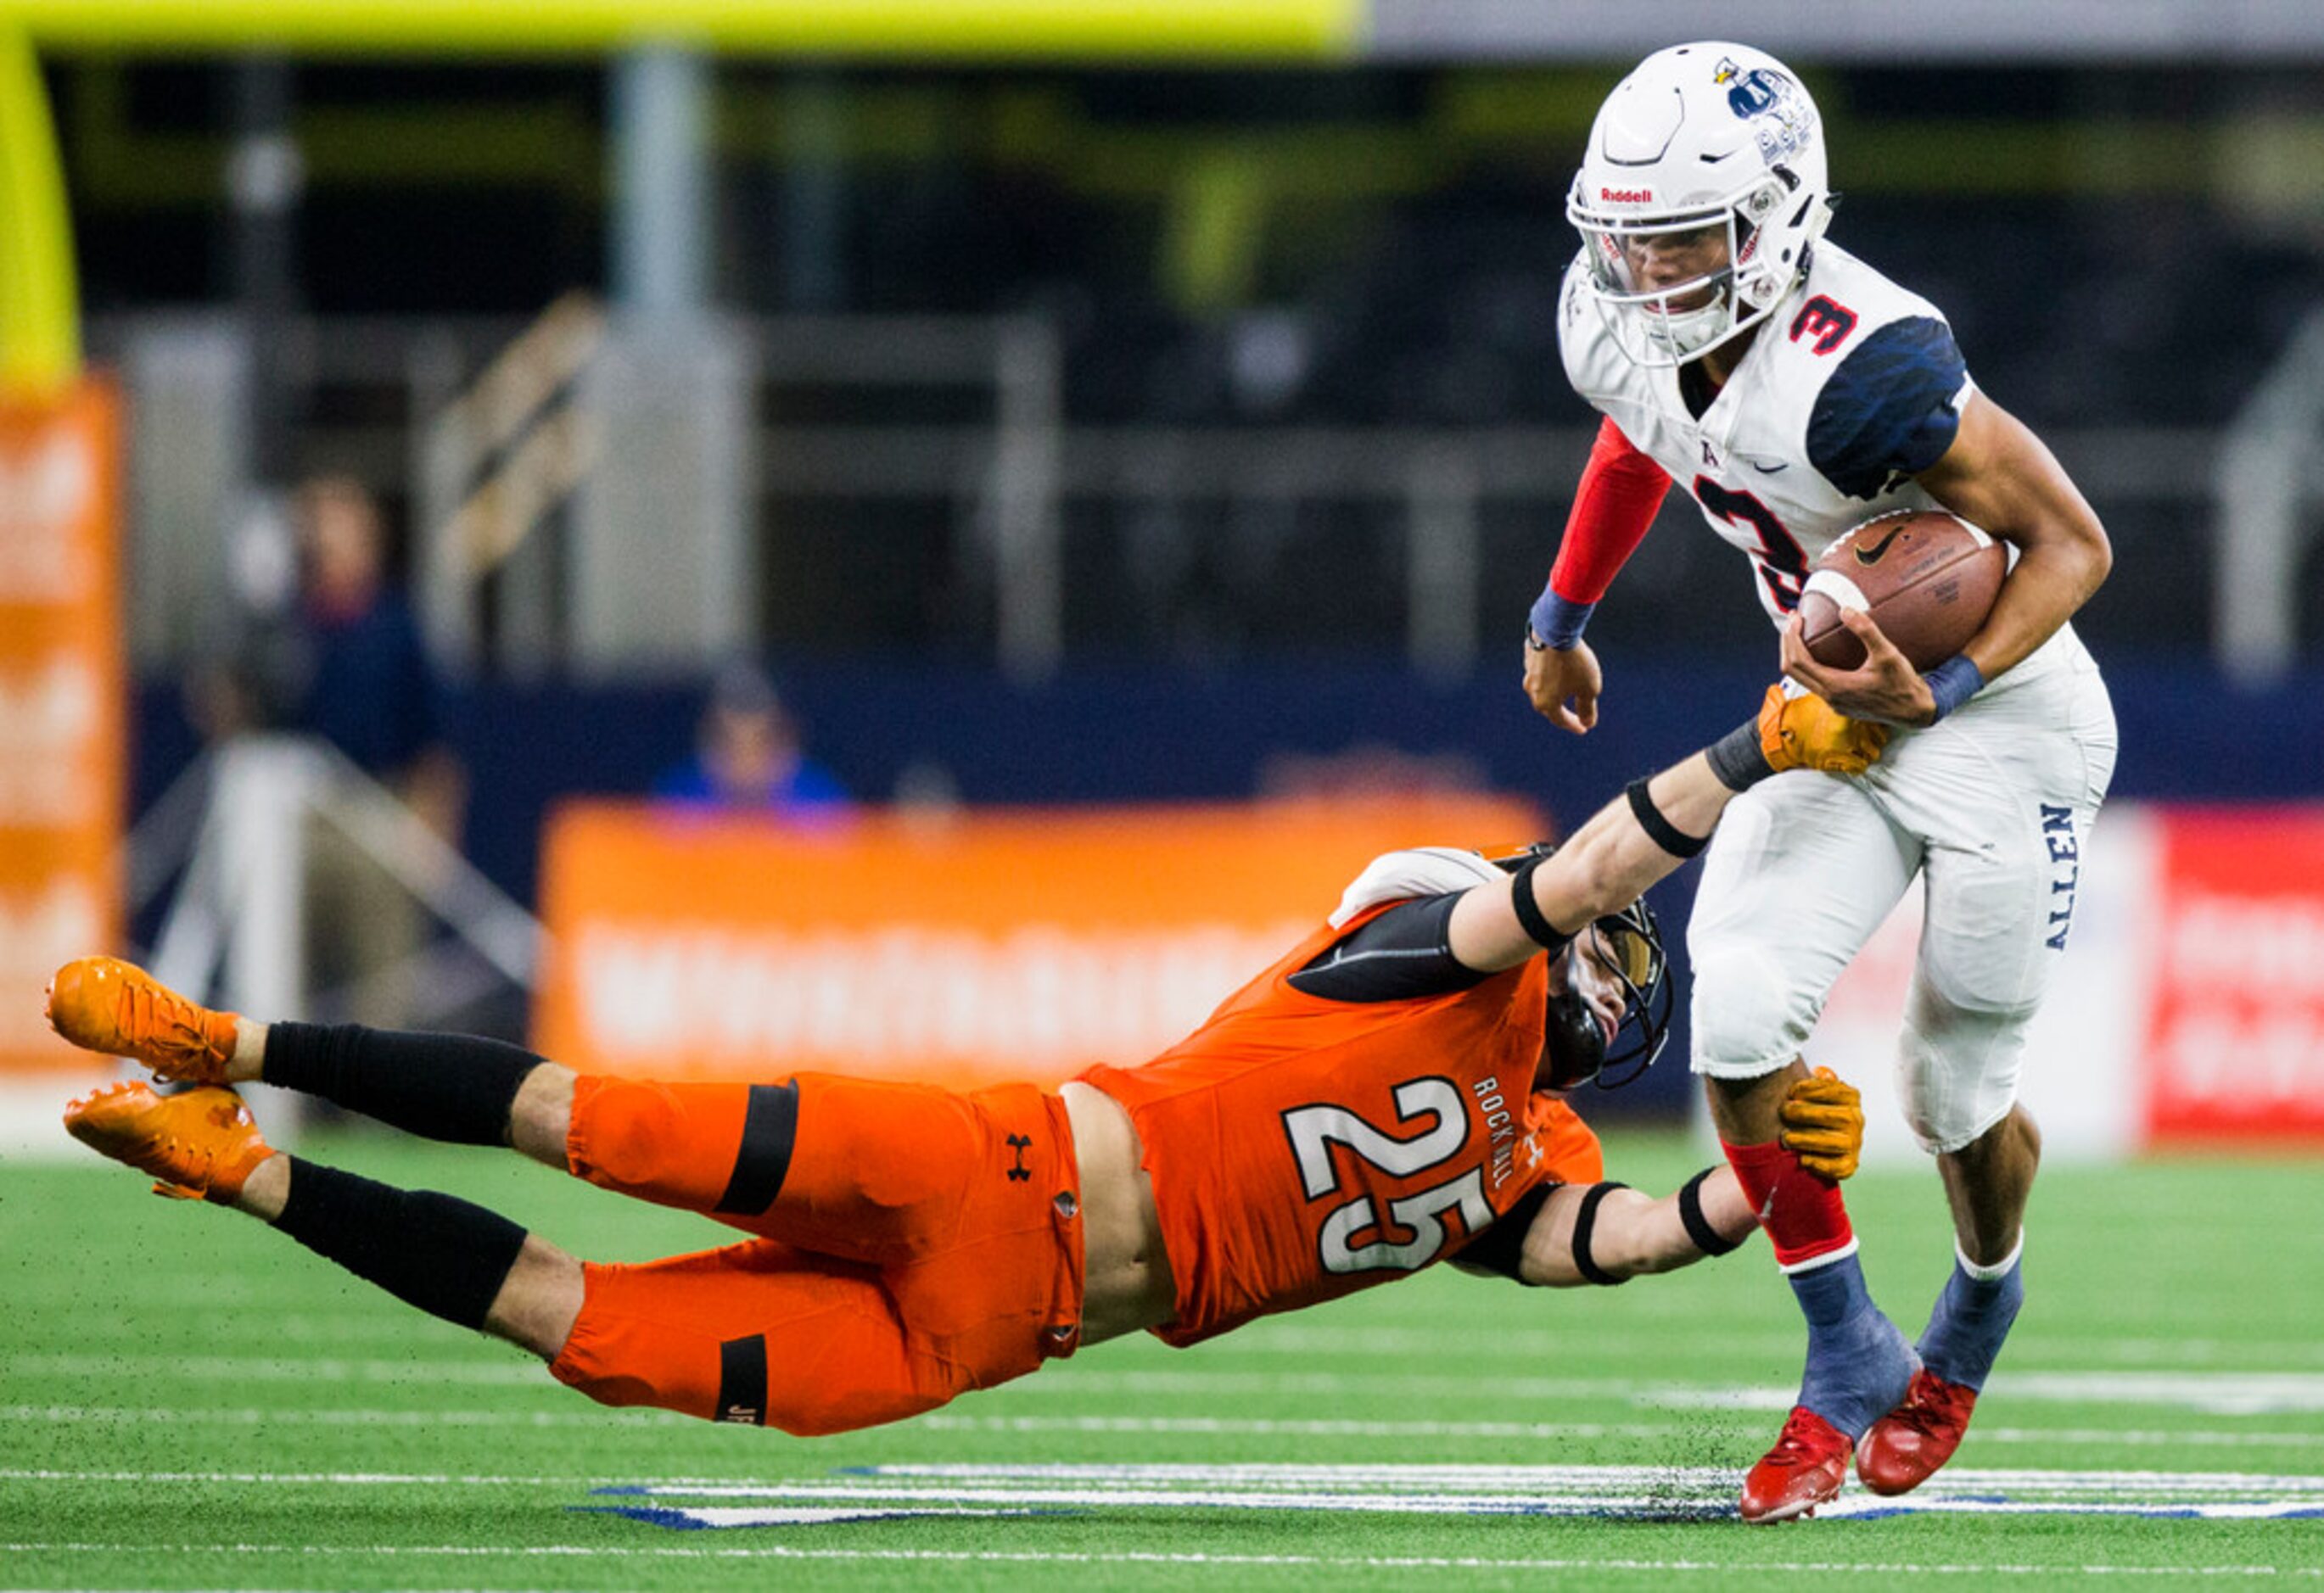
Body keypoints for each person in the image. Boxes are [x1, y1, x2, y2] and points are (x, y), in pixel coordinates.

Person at [52, 686, 1879, 1440]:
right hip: (977, 1167)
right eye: (1594, 945)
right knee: (585, 1123)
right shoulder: (1423, 965)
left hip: (989, 1337)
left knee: (588, 1334)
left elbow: (1603, 1243)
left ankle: (241, 1168)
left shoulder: (1523, 1140)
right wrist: (1752, 755)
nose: (1611, 963)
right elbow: (1575, 873)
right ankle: (233, 1039)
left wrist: (1756, 1191)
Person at [1524, 42, 2119, 1523]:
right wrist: (1559, 612)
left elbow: (2071, 545)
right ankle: (1843, 1347)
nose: (1645, 275)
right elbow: (1639, 431)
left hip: (2003, 718)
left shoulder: (1869, 369)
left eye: (1679, 241)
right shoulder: (1615, 323)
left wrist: (1948, 681)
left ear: (1777, 218)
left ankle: (1975, 1306)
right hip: (1832, 706)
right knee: (1730, 1004)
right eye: (1624, 238)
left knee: (1947, 1087)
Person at [652, 662, 850, 824]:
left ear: (787, 735)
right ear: (708, 734)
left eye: (761, 742)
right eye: (729, 742)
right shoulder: (679, 795)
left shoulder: (819, 798)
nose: (745, 761)